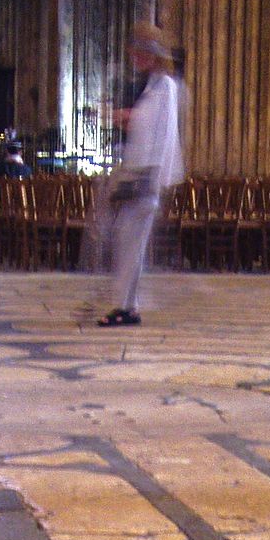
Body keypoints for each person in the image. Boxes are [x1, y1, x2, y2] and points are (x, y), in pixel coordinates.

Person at [96, 23, 184, 328]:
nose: (135, 57)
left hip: (146, 179)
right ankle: (128, 306)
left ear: (153, 54)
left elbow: (163, 135)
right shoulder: (152, 86)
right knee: (127, 241)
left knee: (130, 242)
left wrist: (153, 175)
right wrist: (124, 118)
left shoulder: (166, 87)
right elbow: (146, 126)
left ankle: (124, 307)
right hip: (138, 175)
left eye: (140, 51)